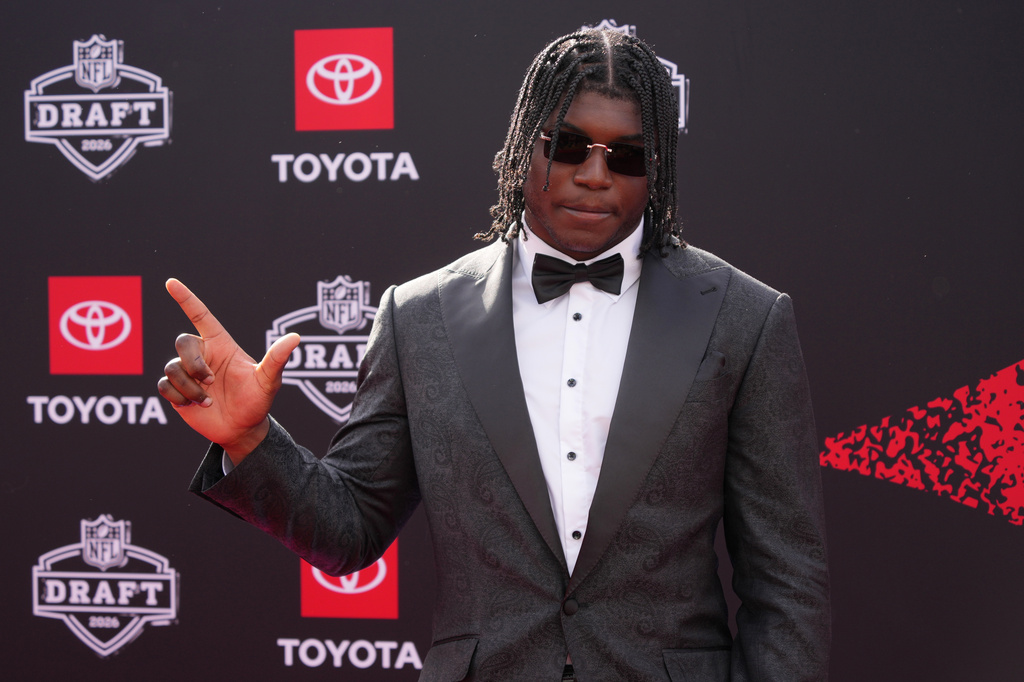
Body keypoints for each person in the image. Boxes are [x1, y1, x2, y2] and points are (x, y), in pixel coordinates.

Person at [158, 29, 830, 681]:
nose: (596, 176)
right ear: (523, 147)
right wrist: (249, 439)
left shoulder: (742, 317)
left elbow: (786, 579)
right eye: (568, 147)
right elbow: (349, 530)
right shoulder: (420, 317)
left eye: (627, 156)